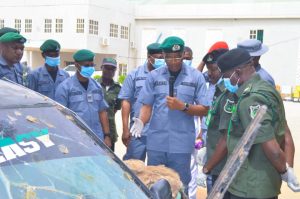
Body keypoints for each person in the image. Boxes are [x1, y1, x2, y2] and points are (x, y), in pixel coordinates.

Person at [203, 48, 300, 198]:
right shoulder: (267, 89)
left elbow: (271, 147)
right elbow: (285, 133)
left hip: (248, 185)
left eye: (227, 76)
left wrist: (285, 171)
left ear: (237, 72)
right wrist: (288, 167)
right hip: (264, 184)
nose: (226, 81)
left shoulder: (249, 100)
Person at [132, 36, 209, 194]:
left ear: (182, 54)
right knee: (155, 185)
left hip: (181, 144)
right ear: (163, 55)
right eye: (169, 57)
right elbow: (147, 105)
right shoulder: (154, 76)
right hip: (157, 143)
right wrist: (140, 121)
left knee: (180, 186)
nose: (174, 61)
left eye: (177, 56)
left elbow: (205, 108)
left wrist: (183, 107)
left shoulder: (196, 77)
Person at [55, 49, 111, 147]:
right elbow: (60, 117)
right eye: (86, 65)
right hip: (75, 139)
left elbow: (102, 112)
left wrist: (107, 135)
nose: (90, 68)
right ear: (77, 65)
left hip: (97, 137)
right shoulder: (65, 88)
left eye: (91, 65)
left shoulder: (96, 86)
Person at [118, 42, 165, 161]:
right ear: (150, 58)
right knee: (134, 167)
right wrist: (125, 129)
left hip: (160, 133)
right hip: (138, 132)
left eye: (163, 58)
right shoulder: (134, 75)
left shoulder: (166, 76)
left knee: (157, 169)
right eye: (159, 58)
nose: (162, 61)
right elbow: (126, 102)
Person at [196, 48, 229, 197]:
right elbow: (209, 116)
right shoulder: (212, 86)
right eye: (208, 69)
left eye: (213, 69)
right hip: (209, 145)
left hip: (221, 153)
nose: (210, 73)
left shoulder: (228, 90)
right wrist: (201, 136)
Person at [183, 46, 201, 199]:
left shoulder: (196, 78)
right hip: (171, 133)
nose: (186, 61)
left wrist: (200, 134)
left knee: (191, 169)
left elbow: (203, 108)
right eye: (184, 58)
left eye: (189, 58)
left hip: (191, 131)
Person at [98, 58, 121, 152]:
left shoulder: (118, 88)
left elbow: (116, 108)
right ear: (101, 68)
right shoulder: (93, 85)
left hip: (110, 132)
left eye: (112, 69)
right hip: (95, 129)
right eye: (107, 68)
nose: (109, 71)